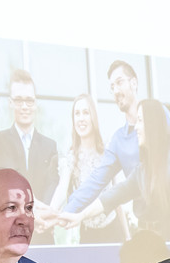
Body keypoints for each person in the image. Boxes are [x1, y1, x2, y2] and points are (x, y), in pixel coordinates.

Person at [61, 97, 170, 239]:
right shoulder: (141, 173)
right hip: (157, 241)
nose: (136, 127)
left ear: (151, 123)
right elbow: (110, 198)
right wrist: (80, 216)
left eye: (140, 121)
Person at [0, 69, 60, 244]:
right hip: (10, 236)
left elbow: (53, 184)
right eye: (19, 100)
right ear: (10, 103)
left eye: (29, 100)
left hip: (43, 234)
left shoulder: (50, 146)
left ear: (35, 103)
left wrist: (44, 218)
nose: (25, 106)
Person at [48, 93, 121, 244]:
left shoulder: (107, 153)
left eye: (86, 113)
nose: (81, 118)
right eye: (77, 114)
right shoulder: (71, 157)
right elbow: (61, 190)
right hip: (88, 233)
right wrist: (48, 215)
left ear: (93, 117)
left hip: (113, 229)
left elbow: (117, 196)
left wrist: (127, 235)